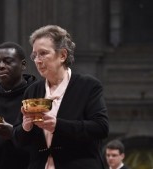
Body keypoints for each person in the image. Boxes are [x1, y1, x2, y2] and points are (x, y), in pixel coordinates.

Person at [12, 25, 109, 169]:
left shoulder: (88, 86)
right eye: (35, 55)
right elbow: (18, 140)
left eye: (43, 53)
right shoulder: (33, 90)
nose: (37, 60)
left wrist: (58, 125)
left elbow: (101, 128)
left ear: (62, 55)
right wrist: (25, 127)